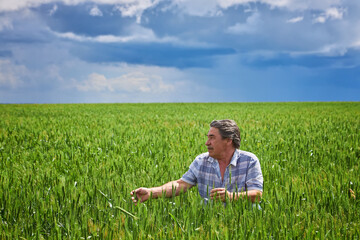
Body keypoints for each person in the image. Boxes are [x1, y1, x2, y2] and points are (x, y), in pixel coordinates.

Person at [131, 119, 263, 205]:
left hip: (243, 220)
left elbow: (257, 194)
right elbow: (181, 184)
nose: (207, 143)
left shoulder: (249, 161)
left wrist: (231, 197)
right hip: (208, 220)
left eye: (212, 138)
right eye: (207, 138)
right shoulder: (201, 161)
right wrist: (151, 192)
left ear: (228, 140)